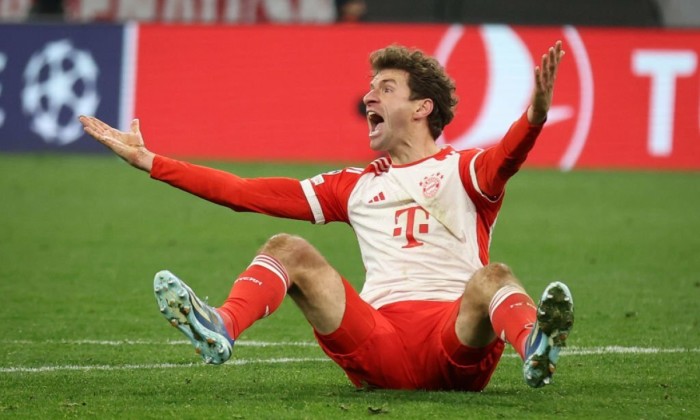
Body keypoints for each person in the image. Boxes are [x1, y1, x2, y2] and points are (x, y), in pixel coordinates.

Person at [78, 40, 574, 391]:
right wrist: (152, 162)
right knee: (286, 248)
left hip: (454, 339)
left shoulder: (465, 169)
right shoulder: (354, 185)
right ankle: (220, 326)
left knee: (493, 277)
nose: (369, 97)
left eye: (386, 88)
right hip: (379, 341)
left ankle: (535, 347)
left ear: (423, 107)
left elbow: (509, 155)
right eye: (371, 88)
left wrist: (535, 115)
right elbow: (244, 193)